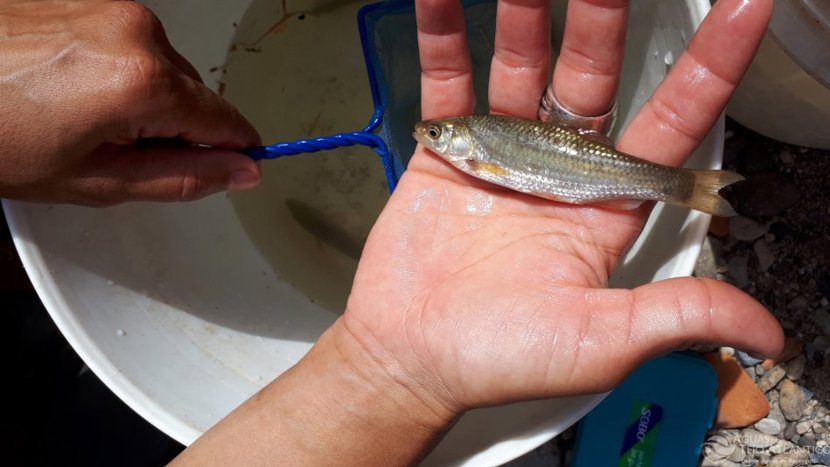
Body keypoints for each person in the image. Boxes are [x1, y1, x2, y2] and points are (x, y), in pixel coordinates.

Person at [1, 0, 783, 465]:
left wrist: (389, 378)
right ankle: (687, 187)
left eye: (439, 138)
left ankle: (687, 186)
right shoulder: (472, 143)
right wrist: (394, 375)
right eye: (438, 137)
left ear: (459, 144)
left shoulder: (476, 143)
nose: (431, 140)